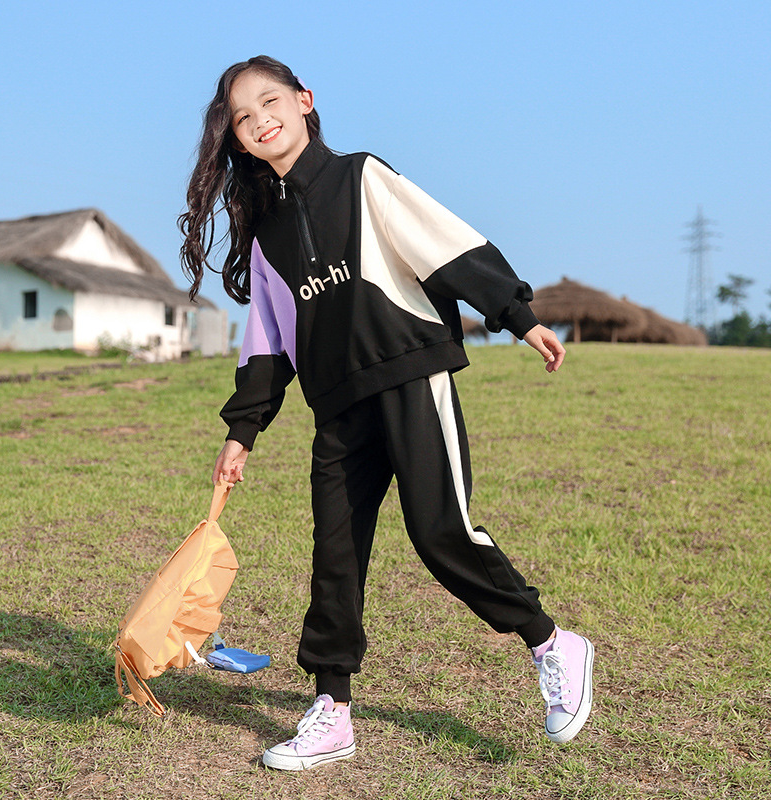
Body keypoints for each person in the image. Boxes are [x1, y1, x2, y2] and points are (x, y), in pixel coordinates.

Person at [179, 55, 594, 771]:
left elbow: (444, 243)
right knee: (335, 555)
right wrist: (242, 430)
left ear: (305, 100)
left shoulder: (362, 177)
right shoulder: (267, 235)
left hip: (410, 375)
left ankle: (553, 643)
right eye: (243, 117)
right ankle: (332, 709)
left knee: (441, 533)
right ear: (237, 138)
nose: (260, 120)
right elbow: (269, 342)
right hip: (339, 408)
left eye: (270, 102)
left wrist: (517, 315)